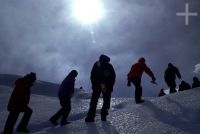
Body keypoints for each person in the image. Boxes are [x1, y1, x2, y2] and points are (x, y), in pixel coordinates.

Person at [85, 54, 116, 122]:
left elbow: (92, 75)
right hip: (104, 86)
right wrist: (110, 86)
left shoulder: (97, 64)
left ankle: (91, 117)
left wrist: (94, 84)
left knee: (94, 101)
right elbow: (113, 77)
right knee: (106, 101)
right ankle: (103, 116)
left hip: (98, 85)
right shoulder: (109, 65)